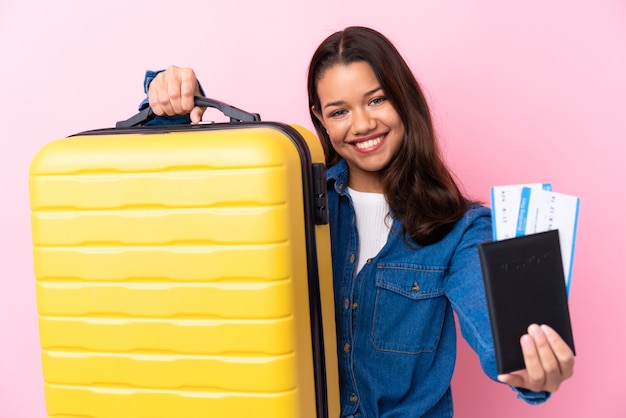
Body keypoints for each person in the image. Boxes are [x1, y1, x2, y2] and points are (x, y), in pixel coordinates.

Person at [141, 26, 574, 417]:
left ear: (404, 100)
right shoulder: (283, 202)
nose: (363, 124)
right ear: (320, 120)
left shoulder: (461, 229)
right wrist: (173, 104)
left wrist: (528, 371)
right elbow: (191, 209)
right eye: (339, 111)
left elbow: (493, 331)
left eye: (376, 100)